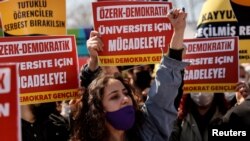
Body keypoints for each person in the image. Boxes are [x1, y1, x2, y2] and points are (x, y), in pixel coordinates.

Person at [71, 8, 189, 141]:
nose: (125, 99)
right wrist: (93, 61)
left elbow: (164, 88)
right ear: (98, 110)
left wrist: (178, 31)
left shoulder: (148, 128)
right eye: (114, 97)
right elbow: (86, 96)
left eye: (126, 93)